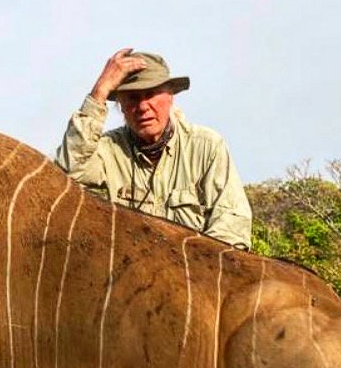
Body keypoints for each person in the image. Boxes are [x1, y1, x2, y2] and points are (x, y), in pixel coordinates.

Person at [56, 48, 253, 249]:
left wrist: (189, 268)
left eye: (150, 94)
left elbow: (233, 226)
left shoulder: (206, 146)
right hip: (126, 274)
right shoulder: (106, 150)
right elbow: (69, 172)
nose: (142, 107)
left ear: (170, 97)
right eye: (132, 97)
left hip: (194, 273)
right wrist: (99, 91)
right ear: (121, 105)